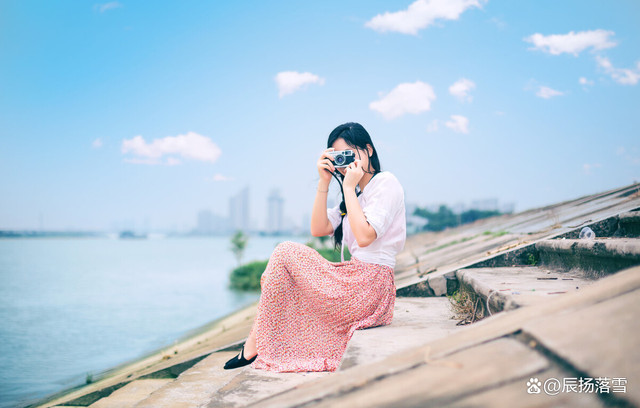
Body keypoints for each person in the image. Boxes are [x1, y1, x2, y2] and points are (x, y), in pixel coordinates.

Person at [224, 122, 406, 372]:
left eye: (350, 155)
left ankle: (253, 345)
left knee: (285, 251)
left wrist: (349, 188)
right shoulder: (354, 195)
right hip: (355, 281)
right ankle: (255, 342)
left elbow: (365, 237)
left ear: (369, 150)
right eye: (339, 158)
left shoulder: (386, 183)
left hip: (370, 285)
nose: (345, 164)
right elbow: (318, 229)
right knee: (283, 260)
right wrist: (325, 181)